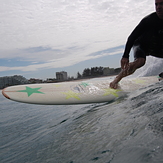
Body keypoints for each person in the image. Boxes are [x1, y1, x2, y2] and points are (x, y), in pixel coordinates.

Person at [110, 0, 163, 89]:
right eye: (156, 4)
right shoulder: (149, 20)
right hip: (141, 45)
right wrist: (125, 56)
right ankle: (117, 79)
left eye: (161, 4)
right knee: (140, 62)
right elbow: (132, 37)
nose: (158, 7)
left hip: (156, 47)